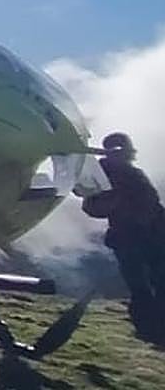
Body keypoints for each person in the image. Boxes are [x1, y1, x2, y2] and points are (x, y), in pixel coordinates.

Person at [82, 132, 165, 342]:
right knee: (143, 283)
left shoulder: (127, 174)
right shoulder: (104, 176)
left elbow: (150, 204)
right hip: (133, 236)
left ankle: (152, 326)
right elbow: (92, 206)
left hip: (148, 234)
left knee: (152, 281)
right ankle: (150, 326)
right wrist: (117, 204)